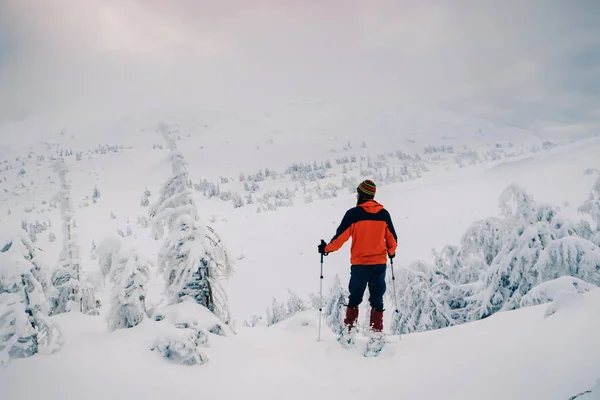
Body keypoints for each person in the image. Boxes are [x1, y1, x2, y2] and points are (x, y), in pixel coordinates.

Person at [318, 179, 397, 334]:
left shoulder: (353, 214)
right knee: (377, 299)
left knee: (354, 298)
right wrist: (391, 252)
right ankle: (376, 334)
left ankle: (349, 332)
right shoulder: (384, 214)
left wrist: (326, 249)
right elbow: (392, 240)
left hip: (360, 265)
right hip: (379, 264)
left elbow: (340, 238)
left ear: (361, 195)